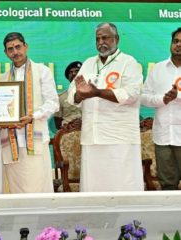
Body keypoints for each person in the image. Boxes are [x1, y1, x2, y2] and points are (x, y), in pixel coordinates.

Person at [67, 22, 144, 192]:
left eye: (105, 37)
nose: (101, 42)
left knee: (121, 187)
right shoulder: (88, 63)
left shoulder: (128, 62)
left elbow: (132, 94)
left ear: (116, 39)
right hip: (91, 138)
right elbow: (72, 95)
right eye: (98, 38)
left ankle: (128, 220)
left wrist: (97, 92)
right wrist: (81, 94)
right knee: (93, 189)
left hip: (119, 138)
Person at [0, 32, 59, 193]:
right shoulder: (3, 77)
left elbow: (53, 103)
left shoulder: (42, 71)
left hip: (35, 141)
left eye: (18, 47)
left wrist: (33, 116)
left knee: (37, 188)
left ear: (26, 47)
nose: (15, 52)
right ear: (6, 53)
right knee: (15, 190)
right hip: (12, 145)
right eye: (10, 49)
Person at [141, 27, 181, 190]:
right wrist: (163, 99)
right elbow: (143, 98)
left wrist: (177, 97)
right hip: (163, 136)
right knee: (167, 186)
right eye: (176, 41)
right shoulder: (157, 69)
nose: (179, 45)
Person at [54, 61, 82, 129]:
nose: (74, 73)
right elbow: (57, 123)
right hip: (67, 135)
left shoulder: (91, 95)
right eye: (71, 72)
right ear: (68, 77)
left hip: (87, 133)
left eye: (77, 71)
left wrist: (83, 123)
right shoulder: (61, 97)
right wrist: (69, 125)